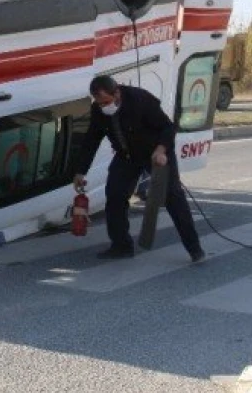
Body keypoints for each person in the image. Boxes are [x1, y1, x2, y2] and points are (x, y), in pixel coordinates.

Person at [72, 75, 205, 262]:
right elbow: (91, 140)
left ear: (116, 92)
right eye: (100, 103)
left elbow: (167, 127)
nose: (104, 107)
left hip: (156, 153)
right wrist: (80, 171)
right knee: (115, 195)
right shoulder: (98, 111)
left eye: (106, 102)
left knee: (173, 197)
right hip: (127, 156)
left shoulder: (140, 100)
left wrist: (161, 150)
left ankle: (194, 249)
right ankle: (121, 246)